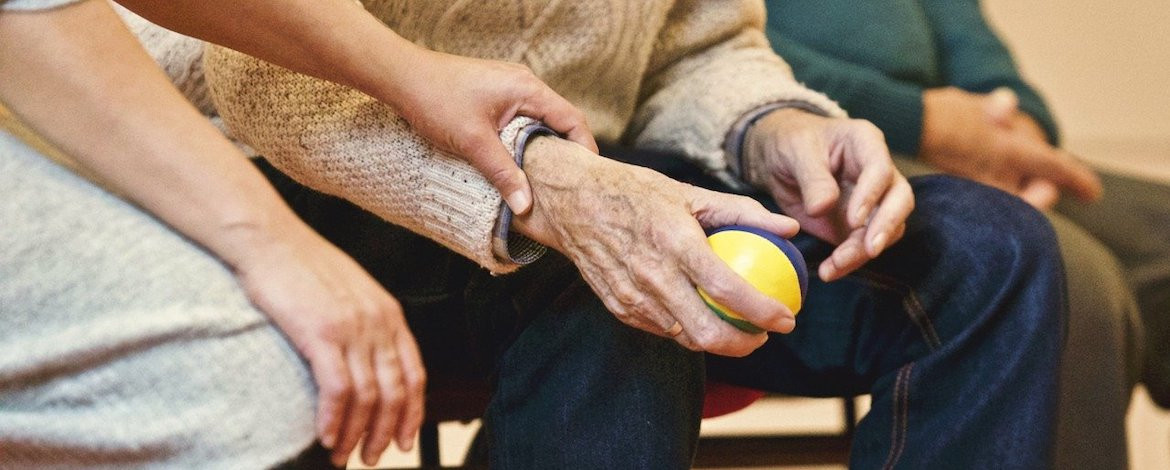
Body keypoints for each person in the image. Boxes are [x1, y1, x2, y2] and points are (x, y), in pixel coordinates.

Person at [205, 0, 1069, 468]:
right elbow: (265, 74)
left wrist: (777, 129)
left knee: (989, 253)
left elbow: (698, 44)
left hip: (596, 166)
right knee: (619, 285)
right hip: (302, 172)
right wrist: (542, 179)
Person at [0, 0, 597, 467]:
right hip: (229, 141)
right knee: (249, 389)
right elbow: (240, 70)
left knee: (610, 289)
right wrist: (272, 242)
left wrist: (421, 78)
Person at [760, 1, 1167, 467]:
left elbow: (974, 45)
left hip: (957, 142)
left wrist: (1017, 132)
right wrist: (923, 123)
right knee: (1052, 266)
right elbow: (713, 54)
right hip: (796, 146)